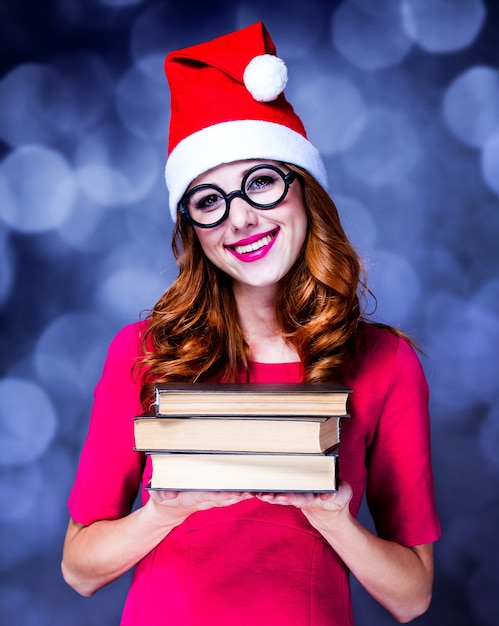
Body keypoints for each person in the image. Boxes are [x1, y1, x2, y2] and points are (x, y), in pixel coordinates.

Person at [61, 22, 441, 626]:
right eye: (209, 199)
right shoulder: (144, 352)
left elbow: (412, 596)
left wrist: (333, 519)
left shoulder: (385, 361)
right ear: (193, 229)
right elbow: (79, 570)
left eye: (261, 182)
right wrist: (165, 511)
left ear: (304, 193)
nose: (240, 218)